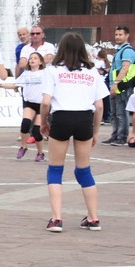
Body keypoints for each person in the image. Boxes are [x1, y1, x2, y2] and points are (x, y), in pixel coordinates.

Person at [39, 33, 107, 232]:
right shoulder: (92, 72)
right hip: (84, 118)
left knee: (55, 169)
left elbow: (45, 102)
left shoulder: (53, 70)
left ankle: (56, 219)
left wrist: (43, 122)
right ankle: (93, 218)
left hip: (62, 117)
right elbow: (100, 106)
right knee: (84, 170)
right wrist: (95, 131)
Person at [0, 51, 46, 161]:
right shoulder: (26, 74)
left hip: (41, 105)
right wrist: (0, 85)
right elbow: (15, 85)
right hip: (29, 103)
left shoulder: (45, 73)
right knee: (25, 124)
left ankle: (40, 153)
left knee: (36, 131)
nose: (32, 60)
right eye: (31, 58)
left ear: (40, 62)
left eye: (35, 58)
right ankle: (23, 146)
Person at [105, 26, 134, 145]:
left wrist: (116, 84)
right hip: (115, 85)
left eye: (120, 34)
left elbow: (125, 68)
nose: (117, 37)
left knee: (121, 112)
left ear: (127, 35)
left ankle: (122, 137)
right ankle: (115, 135)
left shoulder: (127, 51)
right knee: (114, 113)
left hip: (122, 86)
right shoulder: (119, 50)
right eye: (116, 34)